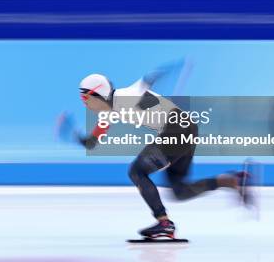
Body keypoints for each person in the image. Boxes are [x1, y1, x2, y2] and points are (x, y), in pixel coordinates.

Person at [73, 63, 250, 239]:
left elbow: (146, 81)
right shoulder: (109, 110)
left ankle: (164, 223)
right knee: (179, 191)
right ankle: (232, 181)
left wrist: (170, 69)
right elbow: (93, 141)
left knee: (137, 171)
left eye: (85, 98)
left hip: (176, 129)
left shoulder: (126, 96)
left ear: (98, 93)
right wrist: (77, 137)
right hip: (186, 128)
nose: (85, 103)